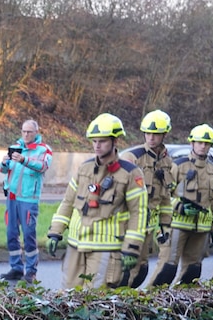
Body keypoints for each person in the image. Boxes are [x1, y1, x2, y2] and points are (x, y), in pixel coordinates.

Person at [46, 113, 148, 289]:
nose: (97, 145)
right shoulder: (84, 169)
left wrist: (131, 247)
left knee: (95, 299)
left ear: (115, 141)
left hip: (106, 248)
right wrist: (55, 232)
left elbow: (138, 213)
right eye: (94, 141)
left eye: (102, 141)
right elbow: (68, 202)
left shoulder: (130, 173)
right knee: (68, 296)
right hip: (76, 245)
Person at [147, 124, 213, 286]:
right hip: (178, 225)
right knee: (168, 268)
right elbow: (165, 195)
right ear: (192, 143)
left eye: (207, 143)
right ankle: (148, 300)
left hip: (202, 229)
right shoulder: (179, 165)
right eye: (199, 142)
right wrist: (180, 207)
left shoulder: (212, 170)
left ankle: (180, 304)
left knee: (193, 271)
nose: (203, 146)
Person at [119, 110, 175, 288]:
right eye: (148, 133)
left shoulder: (167, 162)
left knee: (140, 269)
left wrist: (165, 225)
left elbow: (165, 197)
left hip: (149, 225)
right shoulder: (132, 157)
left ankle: (128, 305)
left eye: (156, 134)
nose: (151, 137)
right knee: (123, 269)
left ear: (164, 134)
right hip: (129, 223)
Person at [0, 119, 52, 283]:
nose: (26, 134)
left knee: (29, 235)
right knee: (11, 234)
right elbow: (2, 170)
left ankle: (31, 271)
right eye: (24, 131)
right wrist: (4, 162)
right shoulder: (16, 146)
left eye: (29, 132)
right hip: (12, 197)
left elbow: (42, 166)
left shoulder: (44, 150)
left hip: (29, 199)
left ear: (36, 133)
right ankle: (16, 268)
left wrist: (24, 160)